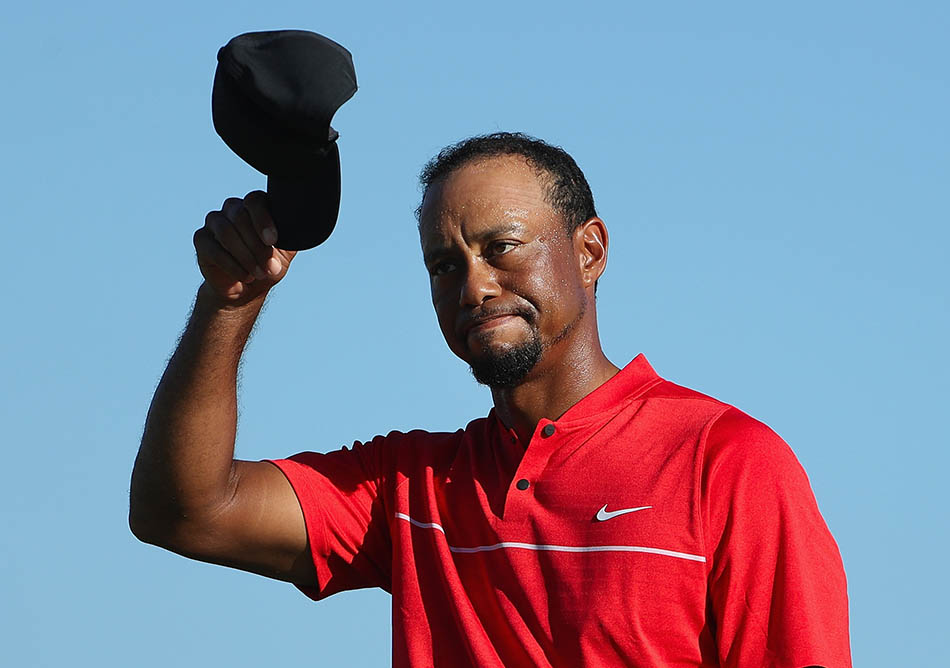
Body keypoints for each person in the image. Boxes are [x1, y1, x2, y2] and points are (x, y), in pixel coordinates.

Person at [130, 132, 851, 667]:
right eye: (445, 266)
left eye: (502, 247)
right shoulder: (412, 488)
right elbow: (185, 510)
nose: (473, 286)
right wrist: (229, 303)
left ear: (590, 252)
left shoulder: (728, 462)